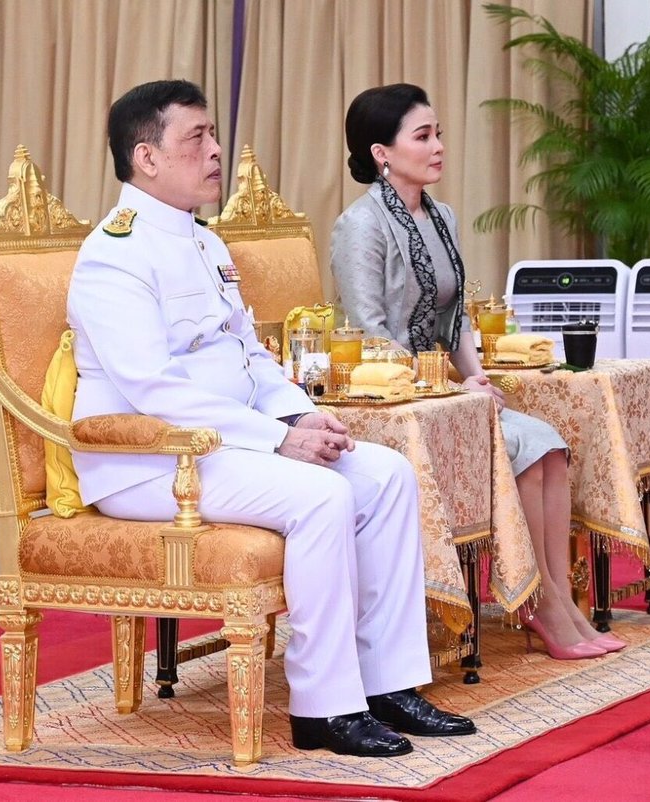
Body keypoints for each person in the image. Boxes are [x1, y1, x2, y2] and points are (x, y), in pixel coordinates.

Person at [66, 80, 475, 758]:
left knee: (384, 474)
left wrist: (302, 418)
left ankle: (389, 684)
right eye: (196, 138)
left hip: (228, 446)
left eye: (213, 134)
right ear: (146, 157)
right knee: (323, 495)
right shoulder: (115, 254)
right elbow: (153, 391)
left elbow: (249, 355)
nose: (216, 150)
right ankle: (326, 707)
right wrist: (279, 441)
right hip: (148, 461)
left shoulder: (206, 244)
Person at [330, 83, 625, 659]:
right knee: (526, 446)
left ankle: (557, 597)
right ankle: (540, 606)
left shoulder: (442, 217)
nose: (438, 146)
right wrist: (448, 387)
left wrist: (477, 378)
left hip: (445, 389)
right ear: (381, 153)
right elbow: (369, 336)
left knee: (547, 444)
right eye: (423, 136)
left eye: (438, 133)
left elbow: (455, 315)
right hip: (395, 402)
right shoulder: (360, 226)